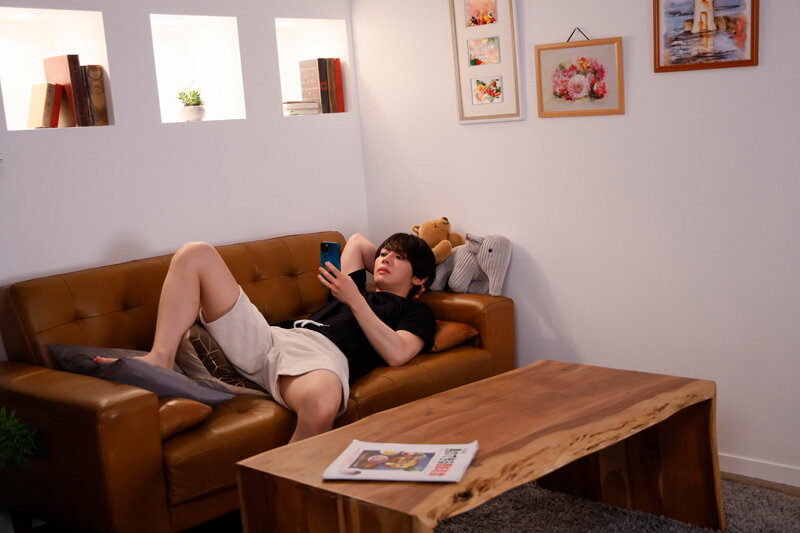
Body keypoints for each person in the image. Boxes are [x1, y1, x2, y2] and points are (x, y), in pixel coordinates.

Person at [95, 233, 437, 443]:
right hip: (272, 337)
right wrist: (383, 265)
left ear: (420, 279)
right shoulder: (354, 284)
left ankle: (284, 500)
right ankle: (161, 358)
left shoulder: (412, 310)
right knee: (195, 252)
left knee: (321, 407)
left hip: (320, 360)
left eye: (399, 258)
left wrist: (355, 299)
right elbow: (359, 241)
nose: (385, 259)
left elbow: (397, 353)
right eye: (384, 254)